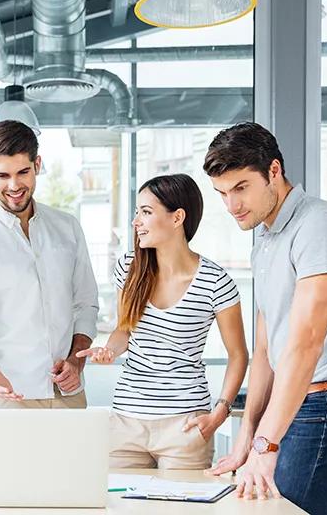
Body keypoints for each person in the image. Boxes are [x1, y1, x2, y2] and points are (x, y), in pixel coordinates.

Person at [203, 122, 327, 514]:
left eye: (241, 188)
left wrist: (267, 444)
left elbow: (307, 340)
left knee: (272, 509)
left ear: (274, 171)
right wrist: (248, 433)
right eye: (223, 193)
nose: (232, 206)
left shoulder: (319, 226)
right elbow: (266, 344)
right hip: (302, 401)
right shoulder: (266, 240)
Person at [77, 174, 248, 469]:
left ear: (177, 217)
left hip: (185, 426)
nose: (136, 222)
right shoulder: (129, 267)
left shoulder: (215, 281)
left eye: (146, 212)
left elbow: (238, 355)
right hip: (126, 422)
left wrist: (220, 412)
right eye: (136, 212)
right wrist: (109, 350)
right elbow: (124, 329)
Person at [0, 120, 98, 408]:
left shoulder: (68, 228)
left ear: (38, 164)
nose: (14, 185)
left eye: (23, 172)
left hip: (67, 393)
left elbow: (86, 305)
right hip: (5, 396)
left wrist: (75, 361)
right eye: (2, 175)